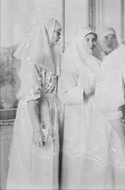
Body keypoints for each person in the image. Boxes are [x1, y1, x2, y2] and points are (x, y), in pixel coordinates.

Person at [82, 23, 125, 189]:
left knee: (122, 179)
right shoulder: (116, 64)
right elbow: (112, 110)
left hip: (121, 130)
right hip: (114, 132)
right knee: (112, 180)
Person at [6, 19, 62, 189]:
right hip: (34, 115)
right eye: (57, 32)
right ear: (46, 33)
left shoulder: (52, 57)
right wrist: (37, 129)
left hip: (48, 111)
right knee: (35, 159)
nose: (60, 36)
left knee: (47, 160)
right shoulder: (34, 59)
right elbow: (31, 97)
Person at [58, 28, 101, 189]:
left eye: (94, 39)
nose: (92, 43)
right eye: (87, 39)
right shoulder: (69, 62)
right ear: (78, 41)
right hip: (78, 116)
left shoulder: (98, 62)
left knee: (94, 158)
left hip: (96, 115)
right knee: (78, 159)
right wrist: (89, 91)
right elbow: (65, 95)